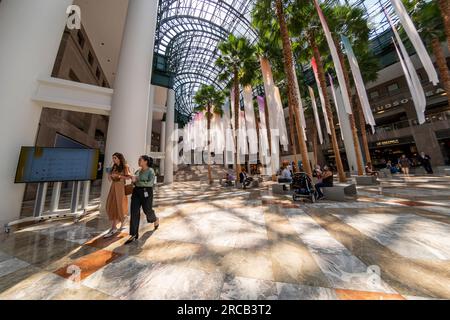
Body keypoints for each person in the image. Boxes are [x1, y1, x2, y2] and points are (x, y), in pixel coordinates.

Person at [125, 155, 159, 245]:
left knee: (147, 210)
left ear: (146, 161)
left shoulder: (151, 171)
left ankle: (155, 219)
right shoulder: (138, 170)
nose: (138, 161)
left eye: (140, 160)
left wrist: (138, 180)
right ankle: (133, 234)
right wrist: (132, 180)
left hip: (146, 192)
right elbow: (134, 181)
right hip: (136, 192)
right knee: (134, 211)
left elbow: (150, 183)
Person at [104, 153, 130, 238]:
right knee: (110, 204)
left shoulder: (125, 166)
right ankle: (118, 223)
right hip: (113, 186)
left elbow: (128, 177)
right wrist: (109, 175)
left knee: (119, 205)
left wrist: (118, 175)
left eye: (115, 158)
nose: (113, 159)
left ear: (119, 158)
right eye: (113, 158)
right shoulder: (114, 167)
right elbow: (110, 179)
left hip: (120, 188)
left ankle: (115, 226)